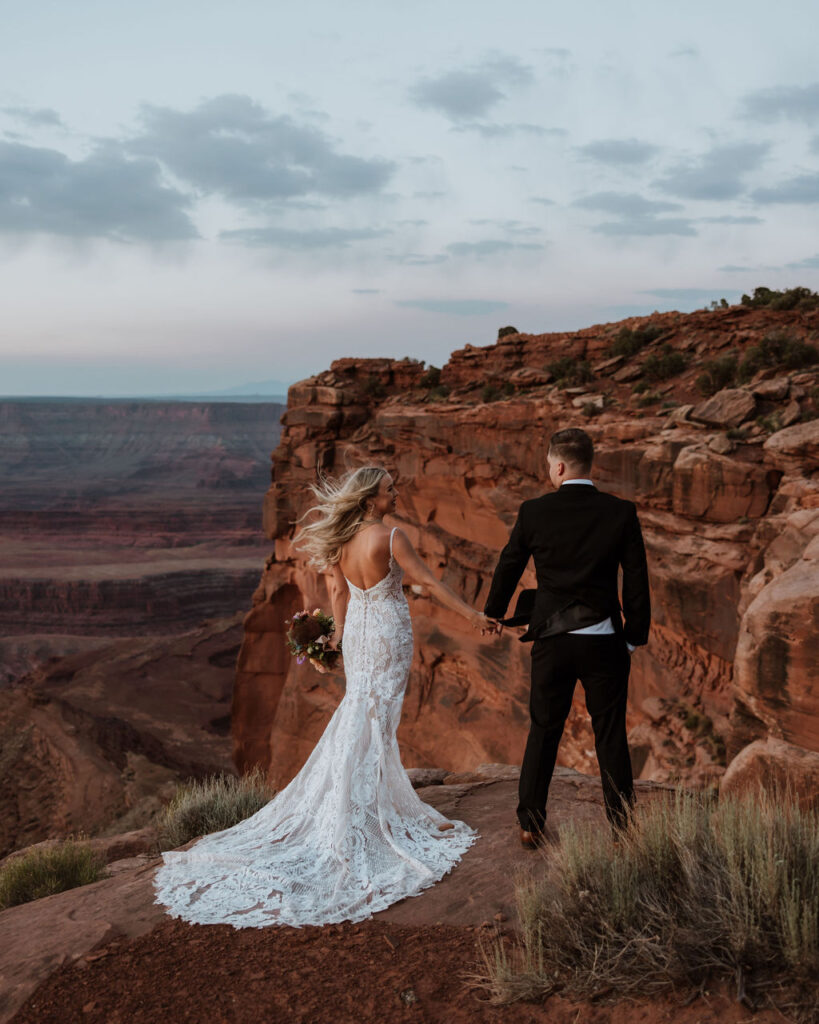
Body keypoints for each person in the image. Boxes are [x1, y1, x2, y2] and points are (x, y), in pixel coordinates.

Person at [154, 466, 492, 928]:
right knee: (380, 719)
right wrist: (472, 614)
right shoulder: (391, 537)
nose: (396, 493)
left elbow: (338, 592)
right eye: (389, 489)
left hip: (359, 637)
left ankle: (366, 805)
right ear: (372, 499)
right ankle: (371, 814)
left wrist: (334, 642)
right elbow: (428, 584)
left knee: (362, 711)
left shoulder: (341, 541)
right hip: (389, 635)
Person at [484, 428, 650, 847]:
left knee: (544, 728)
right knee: (609, 733)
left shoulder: (534, 511)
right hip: (604, 642)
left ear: (558, 466)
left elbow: (509, 564)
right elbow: (636, 578)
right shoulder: (620, 512)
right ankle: (622, 829)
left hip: (552, 643)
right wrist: (633, 636)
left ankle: (530, 823)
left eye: (549, 466)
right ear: (587, 464)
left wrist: (493, 613)